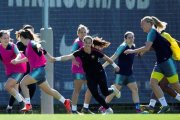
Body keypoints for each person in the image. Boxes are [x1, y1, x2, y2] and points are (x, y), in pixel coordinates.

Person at [124, 16, 180, 113]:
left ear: (150, 23)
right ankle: (164, 106)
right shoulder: (153, 33)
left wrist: (132, 51)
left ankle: (152, 105)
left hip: (167, 63)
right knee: (153, 83)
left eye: (143, 24)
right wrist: (143, 51)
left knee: (176, 86)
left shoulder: (152, 32)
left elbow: (147, 47)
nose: (141, 27)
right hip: (160, 63)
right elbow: (152, 47)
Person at [55, 35, 121, 114]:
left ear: (91, 43)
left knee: (105, 92)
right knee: (95, 94)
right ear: (83, 43)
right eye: (86, 42)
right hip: (90, 76)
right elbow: (68, 57)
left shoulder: (95, 51)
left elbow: (107, 58)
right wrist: (55, 59)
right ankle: (108, 109)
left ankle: (113, 89)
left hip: (100, 73)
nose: (87, 44)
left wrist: (115, 66)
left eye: (89, 43)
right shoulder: (80, 51)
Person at [14, 29, 71, 113]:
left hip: (38, 70)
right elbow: (28, 58)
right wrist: (17, 61)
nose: (20, 41)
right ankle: (66, 101)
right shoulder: (28, 47)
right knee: (49, 90)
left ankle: (28, 105)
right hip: (39, 71)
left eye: (20, 38)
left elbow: (37, 45)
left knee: (23, 83)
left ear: (23, 37)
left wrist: (40, 48)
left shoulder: (32, 43)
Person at [102, 31, 141, 113]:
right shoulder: (122, 46)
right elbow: (113, 57)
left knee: (135, 89)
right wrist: (103, 66)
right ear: (125, 39)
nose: (131, 39)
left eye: (132, 37)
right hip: (121, 74)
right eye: (129, 37)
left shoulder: (133, 47)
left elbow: (131, 61)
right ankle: (102, 108)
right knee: (114, 92)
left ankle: (138, 110)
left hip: (129, 74)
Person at [6, 25, 37, 113]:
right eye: (28, 32)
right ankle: (10, 107)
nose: (30, 34)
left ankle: (27, 107)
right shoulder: (19, 44)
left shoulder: (34, 44)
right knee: (17, 89)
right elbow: (21, 56)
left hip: (31, 70)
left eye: (31, 32)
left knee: (32, 87)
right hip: (21, 70)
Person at [0, 29, 26, 111]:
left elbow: (18, 54)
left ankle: (22, 103)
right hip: (10, 70)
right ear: (0, 39)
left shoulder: (12, 46)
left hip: (19, 68)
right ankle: (26, 107)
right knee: (15, 91)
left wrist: (16, 60)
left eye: (8, 38)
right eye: (4, 38)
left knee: (7, 86)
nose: (7, 39)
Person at [70, 24, 92, 114]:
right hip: (78, 70)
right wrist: (73, 60)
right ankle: (73, 110)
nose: (83, 34)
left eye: (84, 32)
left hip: (87, 70)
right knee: (77, 90)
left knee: (91, 87)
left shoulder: (88, 42)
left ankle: (85, 108)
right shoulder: (77, 42)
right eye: (81, 32)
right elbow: (72, 53)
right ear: (78, 34)